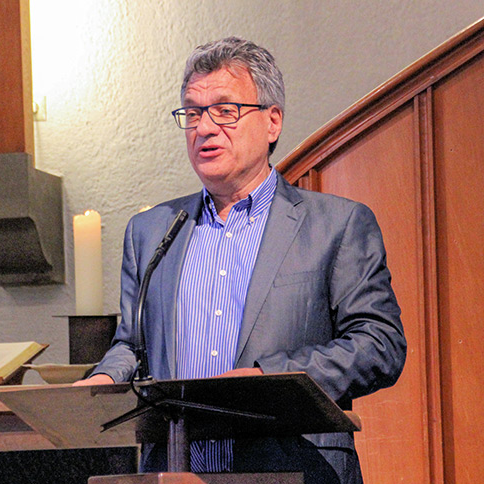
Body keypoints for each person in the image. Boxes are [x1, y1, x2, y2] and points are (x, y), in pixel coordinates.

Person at [74, 37, 407, 483]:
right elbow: (133, 346)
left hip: (294, 471)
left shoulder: (336, 224)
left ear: (272, 122)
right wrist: (103, 381)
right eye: (193, 113)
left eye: (225, 110)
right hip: (174, 472)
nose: (205, 128)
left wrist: (266, 380)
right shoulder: (151, 232)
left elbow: (379, 343)